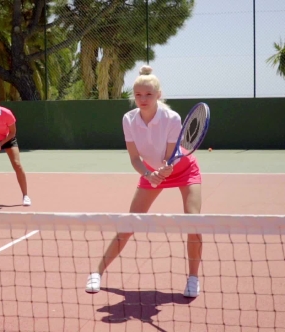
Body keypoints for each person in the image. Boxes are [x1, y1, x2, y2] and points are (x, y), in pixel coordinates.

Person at [85, 66, 203, 298]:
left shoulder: (172, 118)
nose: (142, 99)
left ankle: (193, 278)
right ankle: (96, 272)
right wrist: (150, 175)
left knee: (194, 223)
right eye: (138, 94)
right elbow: (134, 158)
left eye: (148, 94)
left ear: (158, 95)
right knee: (129, 224)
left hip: (184, 171)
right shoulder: (128, 119)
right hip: (151, 173)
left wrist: (163, 170)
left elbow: (169, 157)